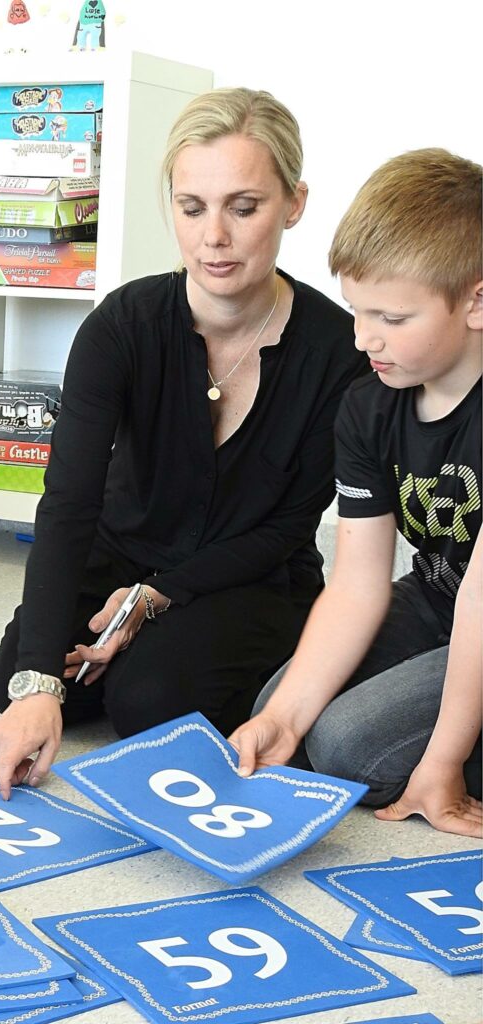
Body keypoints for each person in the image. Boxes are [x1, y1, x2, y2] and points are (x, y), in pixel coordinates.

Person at [0, 88, 369, 798]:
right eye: (192, 208)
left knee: (150, 703)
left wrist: (157, 597)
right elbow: (68, 502)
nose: (212, 237)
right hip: (122, 550)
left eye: (243, 207)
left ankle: (173, 659)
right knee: (17, 677)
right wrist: (37, 681)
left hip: (249, 574)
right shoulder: (121, 326)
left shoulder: (340, 350)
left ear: (294, 203)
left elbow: (289, 525)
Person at [230, 149, 482, 838]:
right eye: (355, 310)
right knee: (281, 708)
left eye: (392, 319)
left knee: (347, 747)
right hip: (438, 603)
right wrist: (282, 719)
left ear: (477, 302)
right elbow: (358, 583)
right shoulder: (369, 406)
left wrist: (444, 761)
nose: (364, 337)